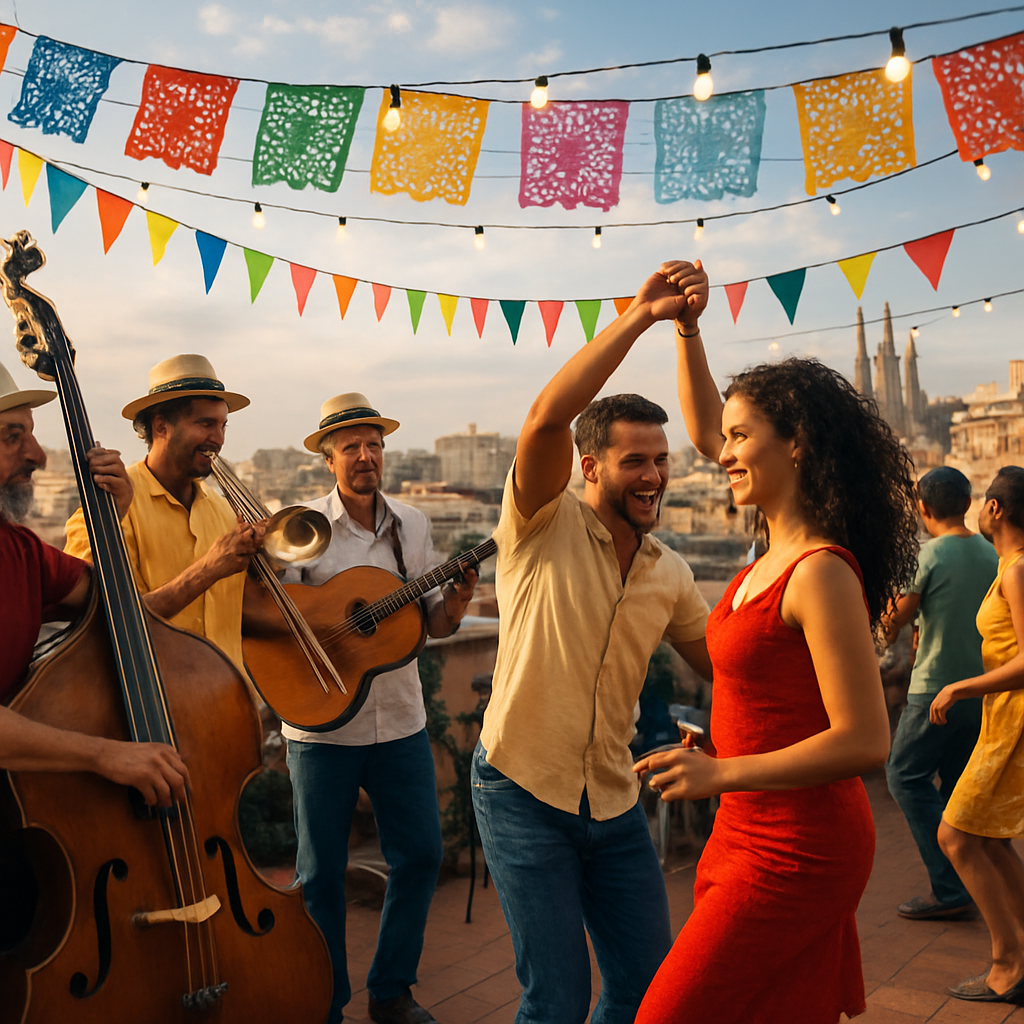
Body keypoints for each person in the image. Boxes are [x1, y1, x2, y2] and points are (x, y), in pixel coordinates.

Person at [633, 260, 918, 1024]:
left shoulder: (820, 571)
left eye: (739, 438)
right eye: (723, 438)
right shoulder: (770, 553)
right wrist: (686, 330)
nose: (719, 452)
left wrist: (721, 771)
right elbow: (703, 429)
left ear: (795, 444)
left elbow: (865, 741)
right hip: (744, 825)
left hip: (797, 844)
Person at [470, 265, 713, 1024]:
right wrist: (642, 314)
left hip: (613, 800)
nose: (653, 476)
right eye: (634, 460)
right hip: (520, 789)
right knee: (557, 1000)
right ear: (591, 468)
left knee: (649, 987)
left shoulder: (669, 571)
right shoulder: (542, 522)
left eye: (662, 460)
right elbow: (546, 420)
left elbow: (724, 668)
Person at [283, 393, 477, 1024]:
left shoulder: (414, 526)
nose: (365, 456)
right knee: (319, 875)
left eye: (374, 444)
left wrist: (456, 602)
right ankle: (326, 1001)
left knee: (421, 853)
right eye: (351, 448)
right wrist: (331, 646)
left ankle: (391, 990)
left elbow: (435, 625)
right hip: (320, 727)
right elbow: (279, 619)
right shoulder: (302, 529)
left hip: (399, 719)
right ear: (328, 459)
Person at [0, 361, 191, 950]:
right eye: (12, 436)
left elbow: (117, 608)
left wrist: (117, 515)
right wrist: (107, 755)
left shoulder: (21, 550)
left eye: (30, 432)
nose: (37, 454)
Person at [64, 354, 263, 676]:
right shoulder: (110, 508)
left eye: (222, 425)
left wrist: (267, 562)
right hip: (156, 712)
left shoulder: (224, 510)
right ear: (161, 426)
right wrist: (209, 569)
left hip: (231, 706)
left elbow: (245, 612)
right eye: (205, 424)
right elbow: (101, 622)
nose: (219, 439)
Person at [883, 466, 997, 920]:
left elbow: (895, 619)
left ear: (922, 508)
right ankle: (966, 881)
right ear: (967, 505)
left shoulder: (926, 556)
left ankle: (949, 888)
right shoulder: (992, 553)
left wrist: (894, 616)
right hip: (981, 689)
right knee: (953, 788)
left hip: (935, 688)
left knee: (904, 777)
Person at [931, 467, 1024, 1004]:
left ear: (995, 510)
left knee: (957, 836)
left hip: (1012, 720)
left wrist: (959, 688)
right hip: (1003, 719)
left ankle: (1007, 962)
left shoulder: (1016, 571)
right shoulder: (1007, 566)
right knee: (987, 838)